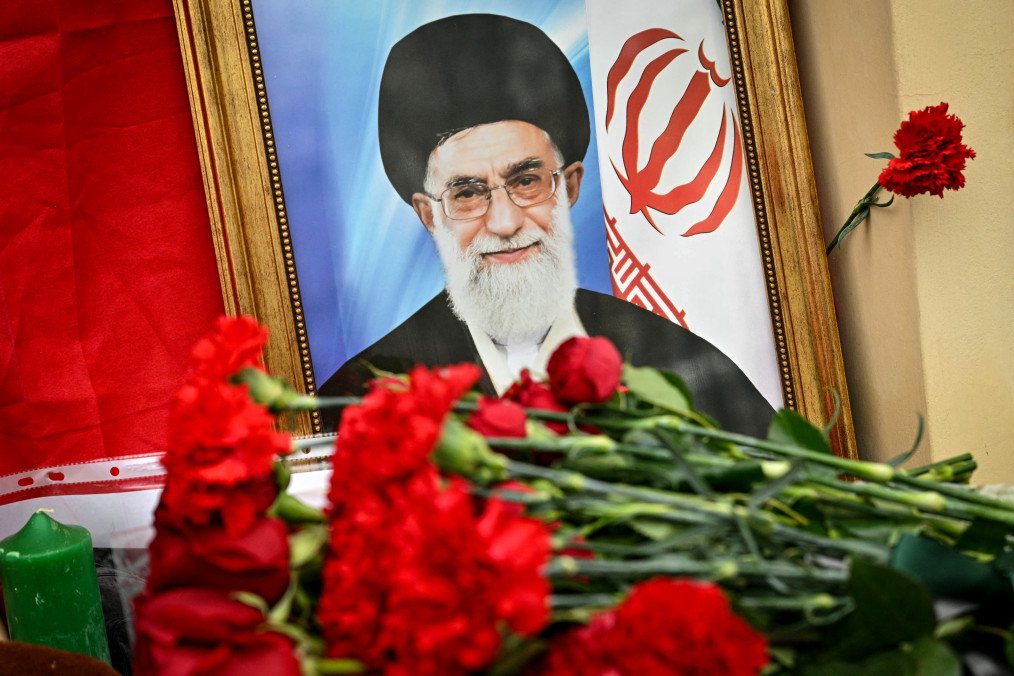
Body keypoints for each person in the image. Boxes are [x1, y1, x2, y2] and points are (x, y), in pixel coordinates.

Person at [317, 13, 774, 437]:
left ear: (569, 186)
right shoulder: (367, 395)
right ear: (428, 214)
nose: (504, 222)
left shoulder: (681, 365)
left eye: (527, 181)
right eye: (468, 194)